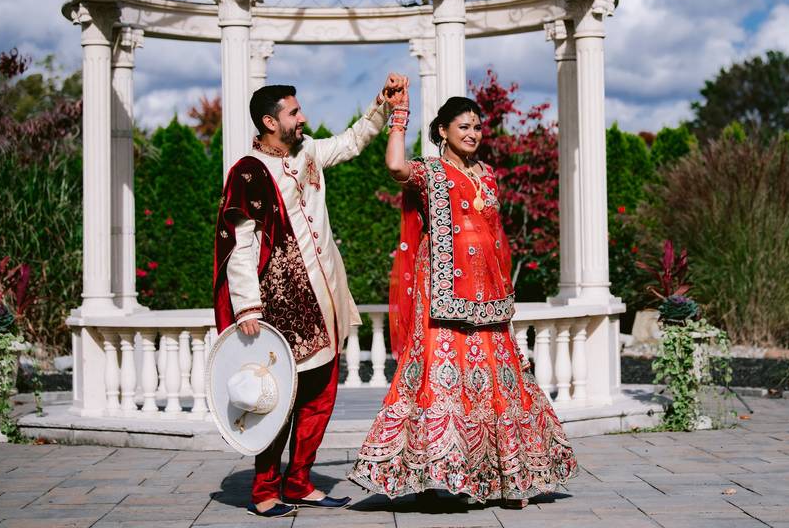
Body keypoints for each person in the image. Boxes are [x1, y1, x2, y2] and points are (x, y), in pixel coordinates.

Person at [348, 91, 577, 507]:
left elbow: (496, 233)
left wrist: (505, 290)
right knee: (442, 380)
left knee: (496, 380)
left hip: (488, 295)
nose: (473, 134)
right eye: (464, 127)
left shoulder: (487, 173)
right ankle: (440, 478)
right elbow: (396, 165)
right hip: (441, 294)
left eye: (477, 127)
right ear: (442, 131)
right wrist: (399, 115)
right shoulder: (431, 172)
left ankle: (510, 478)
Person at [214, 76, 407, 518]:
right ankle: (265, 490)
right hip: (280, 301)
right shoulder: (248, 171)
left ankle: (299, 482)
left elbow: (352, 142)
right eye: (293, 113)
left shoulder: (308, 152)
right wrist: (247, 306)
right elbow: (240, 244)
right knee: (279, 398)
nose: (302, 118)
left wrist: (382, 105)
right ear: (269, 121)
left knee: (320, 395)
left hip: (325, 295)